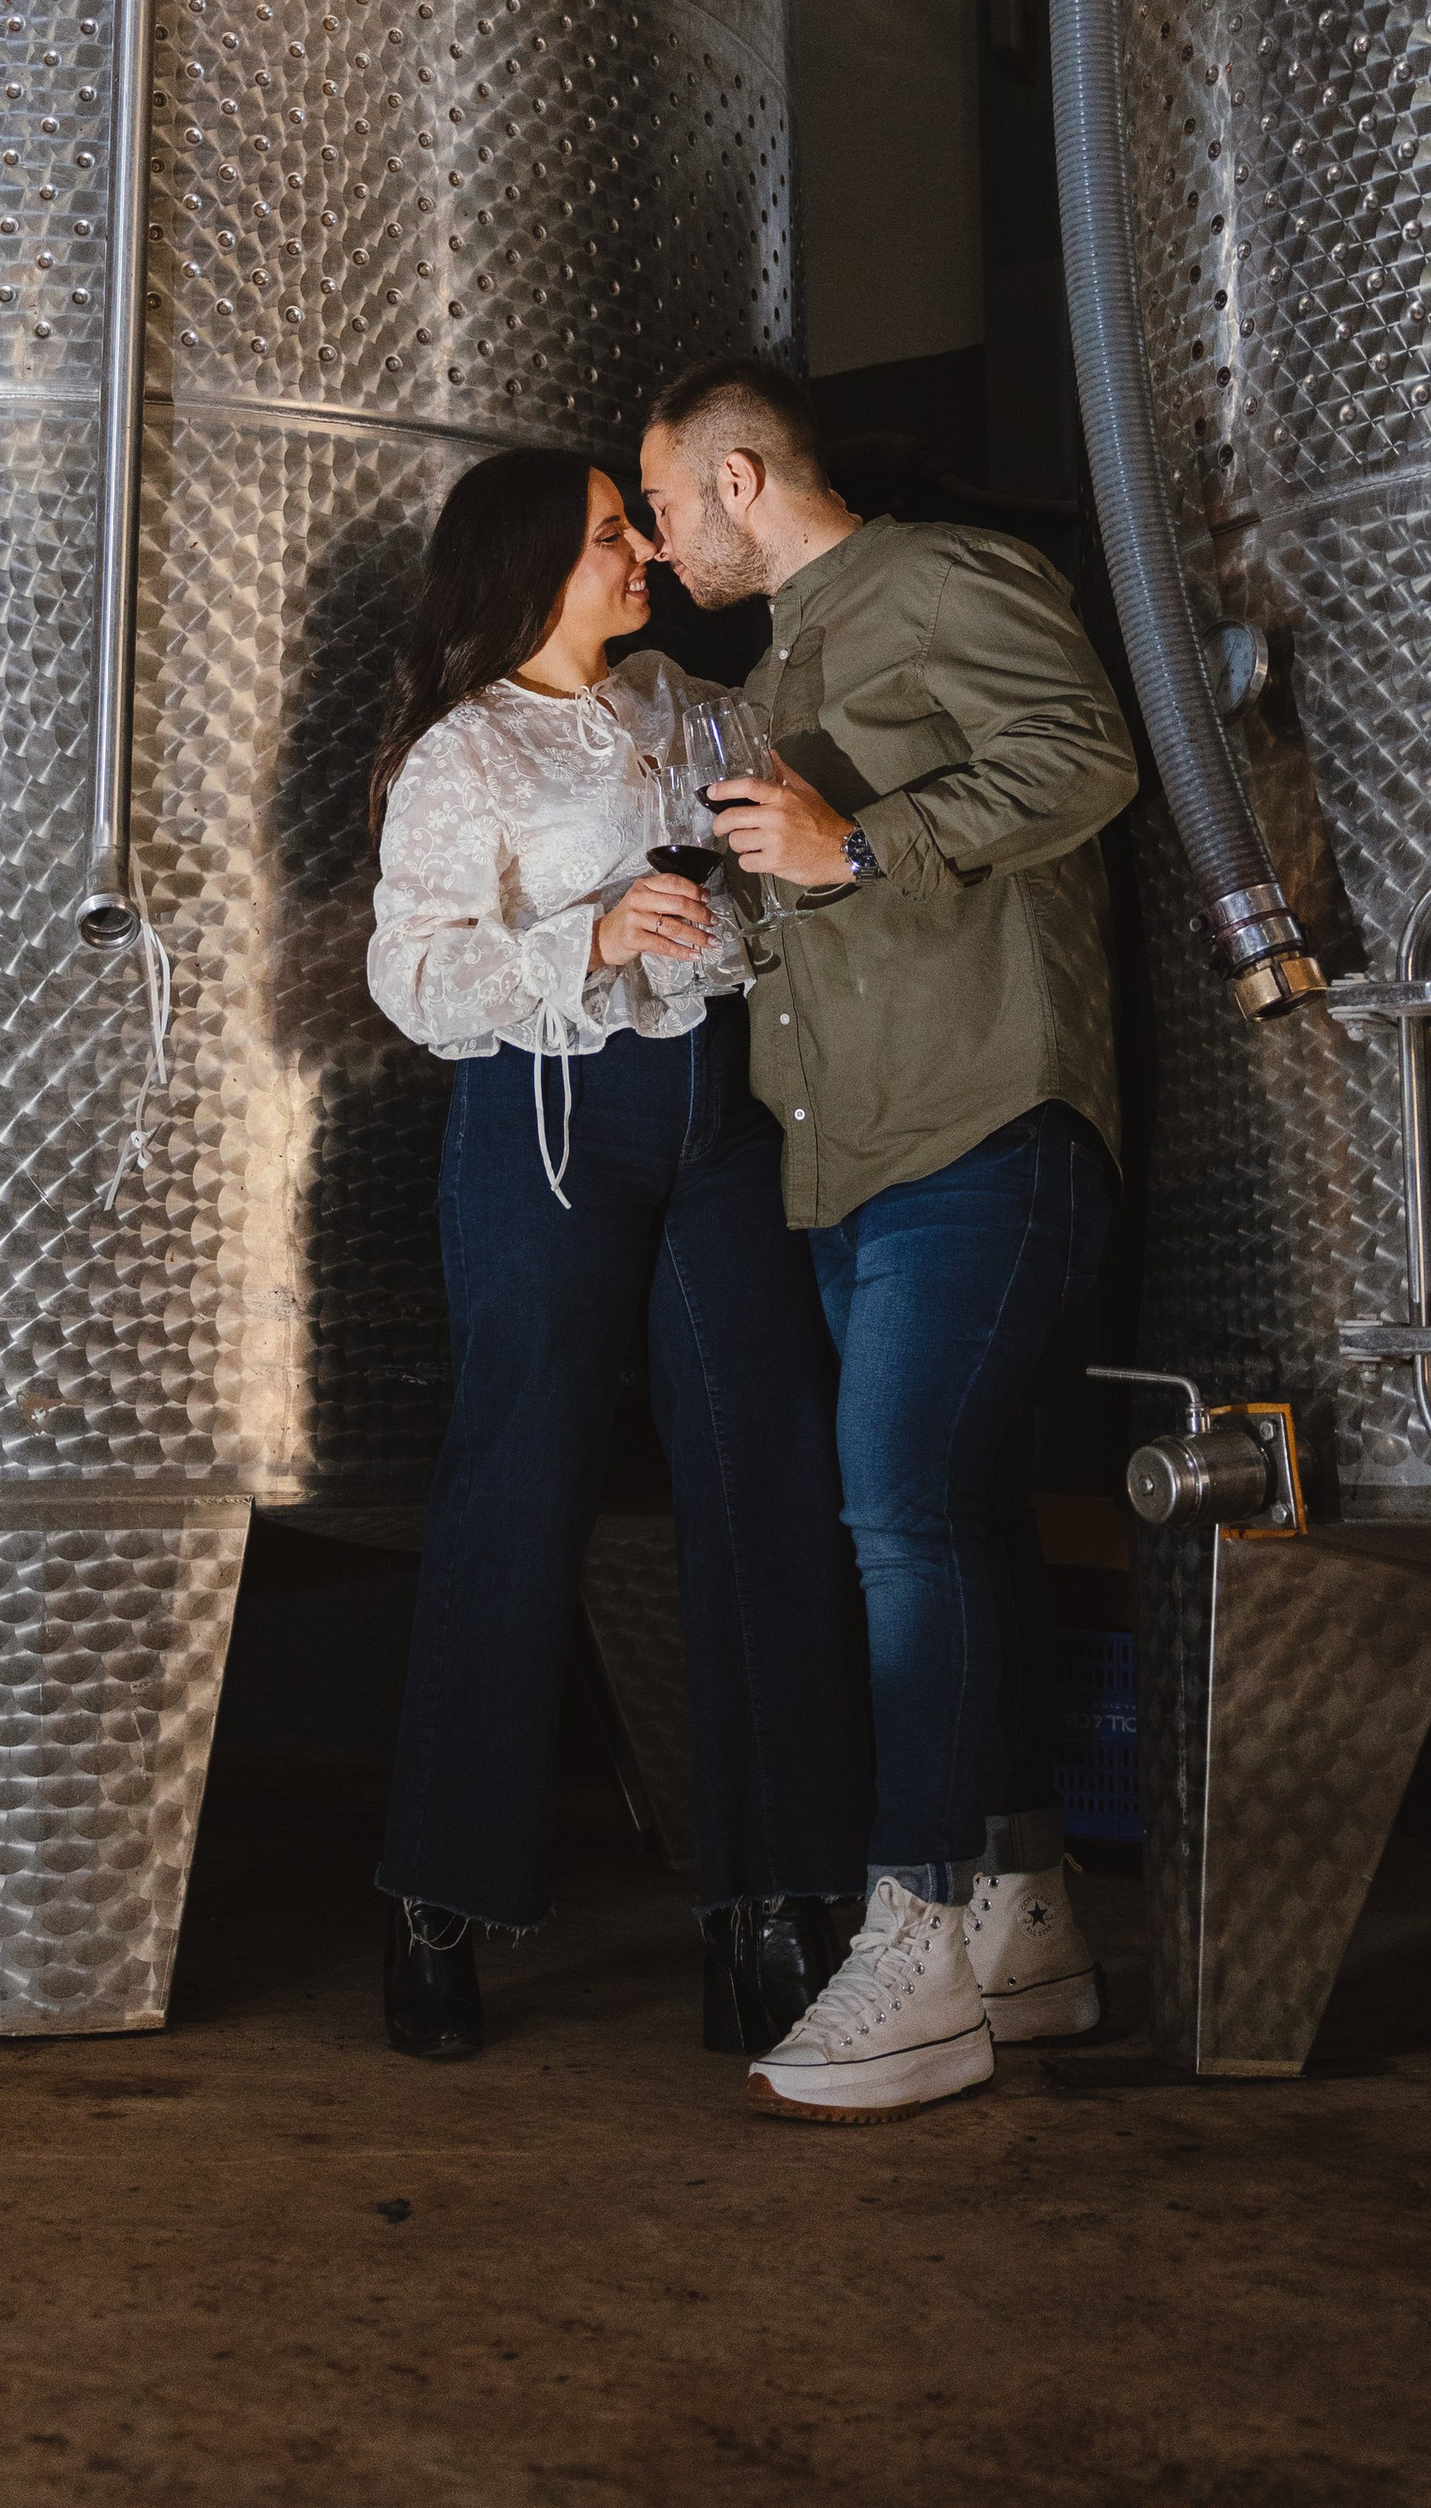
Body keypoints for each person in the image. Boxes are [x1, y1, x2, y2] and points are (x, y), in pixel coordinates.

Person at [637, 358, 1139, 2121]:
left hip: (983, 1121)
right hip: (849, 1158)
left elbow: (1087, 757)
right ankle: (1026, 1922)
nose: (655, 541)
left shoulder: (937, 578)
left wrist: (860, 850)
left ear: (741, 478)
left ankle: (913, 1934)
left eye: (664, 503)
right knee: (960, 1517)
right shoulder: (778, 661)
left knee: (902, 1517)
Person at [365, 445, 870, 2065]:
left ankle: (770, 1910)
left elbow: (789, 871)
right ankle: (439, 1900)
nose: (642, 552)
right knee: (517, 1489)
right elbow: (411, 977)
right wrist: (587, 932)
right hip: (548, 1120)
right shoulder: (465, 753)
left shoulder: (701, 706)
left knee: (765, 1481)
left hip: (722, 1113)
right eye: (609, 537)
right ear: (535, 566)